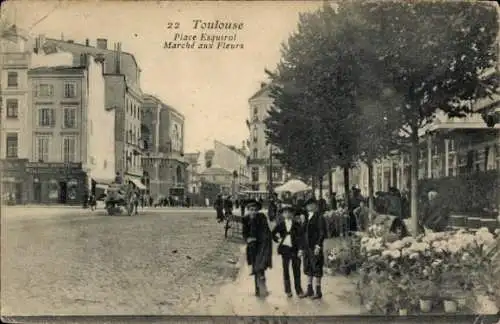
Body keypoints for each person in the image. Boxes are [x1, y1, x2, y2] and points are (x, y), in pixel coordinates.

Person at [242, 199, 273, 297]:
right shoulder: (246, 219)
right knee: (256, 267)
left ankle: (262, 288)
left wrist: (261, 239)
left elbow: (265, 230)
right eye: (251, 210)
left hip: (262, 244)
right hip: (252, 246)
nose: (253, 212)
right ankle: (257, 289)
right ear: (248, 210)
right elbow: (245, 233)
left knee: (260, 266)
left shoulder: (261, 217)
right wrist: (248, 239)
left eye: (255, 210)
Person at [271, 205, 304, 298]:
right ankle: (288, 290)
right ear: (282, 214)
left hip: (295, 249)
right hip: (285, 249)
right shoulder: (280, 224)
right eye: (285, 212)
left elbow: (301, 237)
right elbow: (272, 233)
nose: (287, 214)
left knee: (296, 269)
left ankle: (299, 290)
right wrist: (278, 240)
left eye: (289, 212)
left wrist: (301, 249)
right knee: (286, 270)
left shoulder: (297, 224)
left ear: (292, 214)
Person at [299, 197, 327, 299]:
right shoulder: (306, 218)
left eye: (312, 205)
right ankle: (309, 290)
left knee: (317, 267)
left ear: (316, 206)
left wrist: (318, 246)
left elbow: (322, 233)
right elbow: (302, 233)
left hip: (315, 247)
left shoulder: (319, 217)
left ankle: (318, 292)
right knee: (308, 266)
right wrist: (301, 248)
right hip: (306, 247)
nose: (309, 207)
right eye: (308, 205)